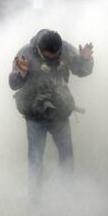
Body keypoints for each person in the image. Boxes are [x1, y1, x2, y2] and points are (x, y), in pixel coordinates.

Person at [9, 29, 94, 185]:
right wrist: (22, 74)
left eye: (57, 56)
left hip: (59, 112)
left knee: (66, 154)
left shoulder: (66, 49)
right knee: (35, 158)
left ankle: (67, 192)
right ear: (40, 50)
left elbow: (82, 71)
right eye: (49, 57)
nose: (53, 60)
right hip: (34, 114)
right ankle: (35, 197)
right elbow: (13, 84)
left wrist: (85, 60)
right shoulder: (25, 54)